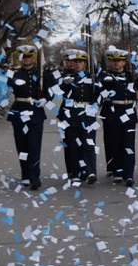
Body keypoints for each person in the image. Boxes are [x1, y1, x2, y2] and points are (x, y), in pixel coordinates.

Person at [6, 44, 47, 190]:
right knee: (22, 145)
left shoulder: (40, 72)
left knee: (34, 146)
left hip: (35, 112)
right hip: (19, 111)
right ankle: (25, 175)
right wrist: (13, 81)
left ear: (33, 57)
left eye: (29, 56)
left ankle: (35, 176)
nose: (26, 59)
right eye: (23, 56)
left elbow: (50, 88)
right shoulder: (14, 72)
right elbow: (6, 81)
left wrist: (46, 99)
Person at [97, 47, 138, 187]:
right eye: (113, 60)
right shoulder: (104, 75)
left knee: (128, 144)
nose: (116, 63)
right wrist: (104, 82)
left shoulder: (130, 75)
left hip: (128, 111)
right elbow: (98, 89)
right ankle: (117, 171)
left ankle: (129, 174)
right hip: (112, 112)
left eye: (119, 60)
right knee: (114, 143)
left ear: (124, 62)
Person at [56, 49, 99, 184]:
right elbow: (56, 92)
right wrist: (63, 83)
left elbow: (99, 94)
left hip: (87, 113)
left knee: (88, 143)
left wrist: (96, 106)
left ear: (85, 63)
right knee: (73, 145)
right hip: (71, 113)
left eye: (80, 61)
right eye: (75, 61)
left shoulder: (92, 77)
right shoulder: (65, 77)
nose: (77, 64)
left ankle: (91, 171)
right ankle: (75, 171)